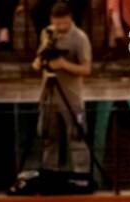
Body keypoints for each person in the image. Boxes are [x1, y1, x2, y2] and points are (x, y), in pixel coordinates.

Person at [34, 3, 91, 176]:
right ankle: (49, 174)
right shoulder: (47, 33)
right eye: (57, 23)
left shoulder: (80, 38)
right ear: (52, 20)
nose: (60, 27)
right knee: (48, 137)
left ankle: (81, 175)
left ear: (70, 18)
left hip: (71, 96)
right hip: (49, 94)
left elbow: (86, 69)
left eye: (63, 23)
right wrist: (41, 63)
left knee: (77, 137)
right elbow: (39, 58)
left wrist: (63, 65)